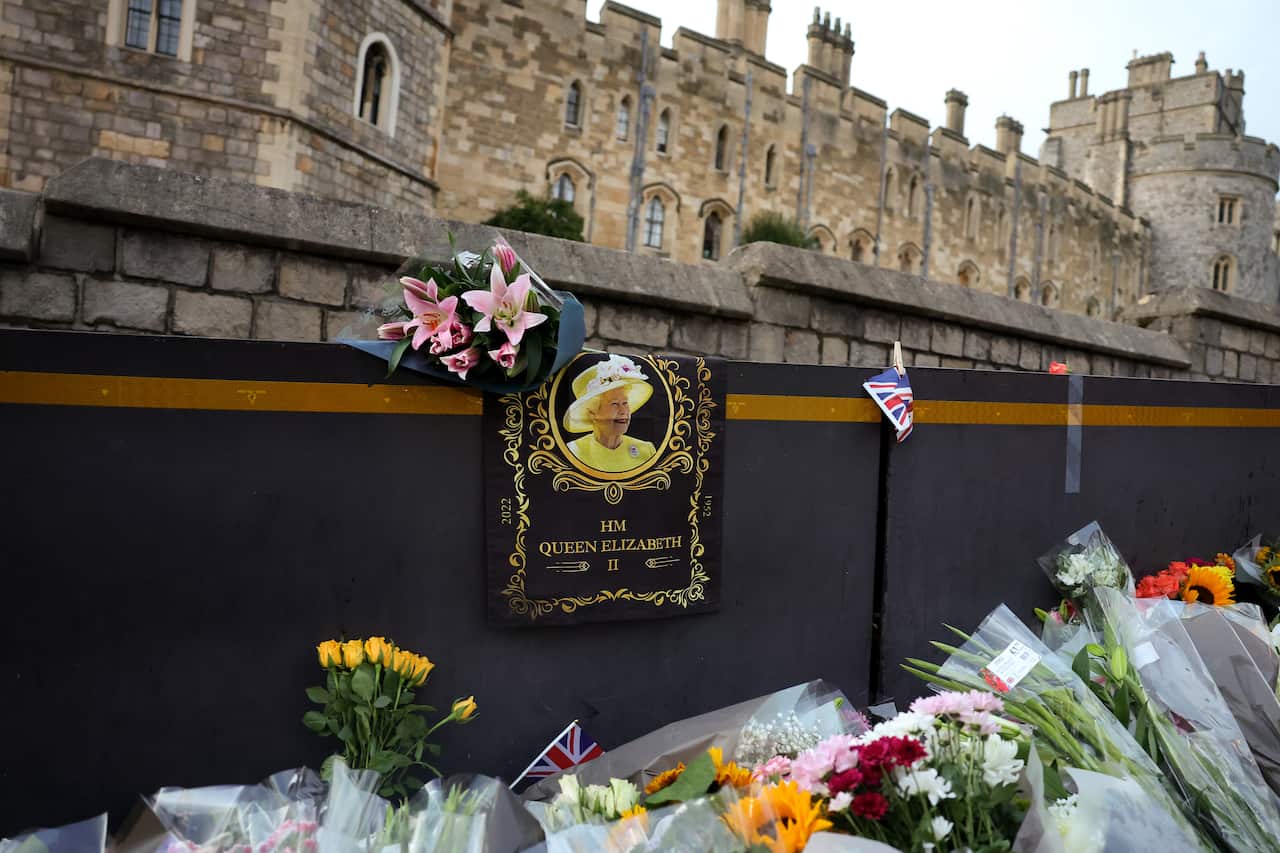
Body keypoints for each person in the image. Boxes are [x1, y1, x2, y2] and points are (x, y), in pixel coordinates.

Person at [563, 355, 657, 473]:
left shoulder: (646, 450)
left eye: (625, 403)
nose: (624, 411)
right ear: (592, 413)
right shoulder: (573, 450)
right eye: (614, 404)